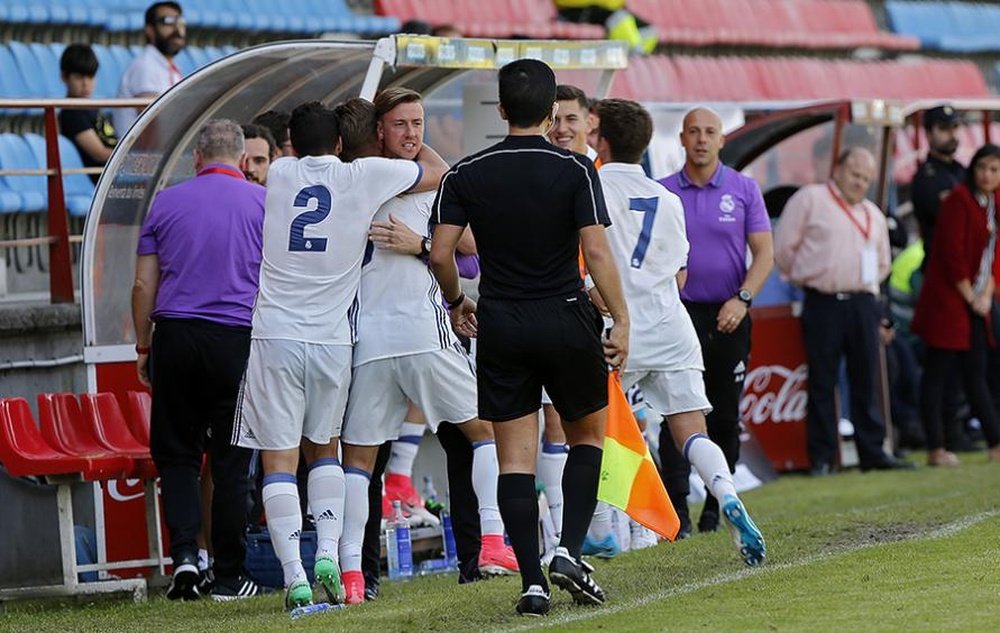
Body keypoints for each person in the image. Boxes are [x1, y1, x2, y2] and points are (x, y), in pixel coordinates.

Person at [430, 59, 630, 616]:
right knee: (587, 437)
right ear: (549, 113)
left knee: (514, 457)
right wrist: (622, 318)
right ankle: (567, 549)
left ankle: (531, 581)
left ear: (501, 111)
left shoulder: (465, 173)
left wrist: (455, 301)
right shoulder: (575, 169)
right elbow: (596, 251)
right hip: (566, 315)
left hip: (502, 321)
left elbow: (442, 253)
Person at [232, 101, 446, 611]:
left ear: (289, 143)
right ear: (339, 146)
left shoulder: (279, 173)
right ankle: (329, 550)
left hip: (275, 336)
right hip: (332, 339)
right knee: (324, 448)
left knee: (279, 460)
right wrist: (411, 136)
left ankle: (295, 577)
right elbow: (436, 170)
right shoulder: (363, 175)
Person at [335, 89, 517, 605]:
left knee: (360, 461)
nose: (413, 134)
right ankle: (491, 542)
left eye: (418, 123)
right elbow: (470, 246)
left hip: (367, 338)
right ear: (378, 132)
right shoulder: (419, 184)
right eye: (400, 125)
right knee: (487, 431)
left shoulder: (350, 184)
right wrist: (427, 246)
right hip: (421, 327)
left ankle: (353, 577)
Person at [593, 98, 765, 566]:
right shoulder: (667, 198)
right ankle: (727, 494)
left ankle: (601, 529)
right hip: (672, 325)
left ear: (600, 139)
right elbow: (681, 276)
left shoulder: (589, 189)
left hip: (618, 328)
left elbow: (588, 271)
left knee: (596, 430)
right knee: (691, 431)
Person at [131, 119, 263, 601]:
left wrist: (145, 347)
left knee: (178, 456)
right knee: (231, 461)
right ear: (244, 161)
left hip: (176, 336)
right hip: (236, 338)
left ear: (196, 159)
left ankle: (186, 557)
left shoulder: (166, 203)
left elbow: (144, 284)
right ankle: (230, 576)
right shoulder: (261, 203)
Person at [658, 107, 773, 535]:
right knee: (675, 412)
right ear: (682, 140)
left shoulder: (743, 189)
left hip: (729, 315)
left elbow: (764, 254)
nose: (702, 139)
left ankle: (713, 505)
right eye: (694, 132)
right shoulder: (664, 192)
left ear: (722, 139)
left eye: (710, 132)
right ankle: (676, 514)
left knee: (724, 416)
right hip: (678, 316)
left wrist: (742, 299)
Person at [774, 147, 914, 475]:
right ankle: (822, 457)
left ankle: (872, 451)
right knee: (823, 380)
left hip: (863, 303)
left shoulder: (873, 214)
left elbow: (882, 263)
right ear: (837, 168)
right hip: (822, 300)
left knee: (866, 378)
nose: (859, 183)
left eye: (866, 178)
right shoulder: (811, 199)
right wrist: (808, 275)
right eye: (855, 174)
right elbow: (783, 247)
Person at [911, 144, 1000, 466]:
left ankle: (995, 442)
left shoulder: (993, 203)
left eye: (994, 169)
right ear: (972, 169)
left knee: (976, 371)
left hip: (976, 297)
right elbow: (951, 255)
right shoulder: (959, 200)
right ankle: (935, 448)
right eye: (982, 168)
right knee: (936, 372)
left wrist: (987, 294)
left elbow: (995, 254)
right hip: (947, 299)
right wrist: (972, 297)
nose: (987, 175)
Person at [114, 2, 186, 134]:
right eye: (168, 22)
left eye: (180, 22)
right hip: (142, 154)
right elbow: (156, 121)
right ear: (150, 30)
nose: (177, 29)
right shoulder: (145, 66)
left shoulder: (170, 67)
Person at [912, 105, 964, 267]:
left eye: (955, 127)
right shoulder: (926, 177)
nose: (951, 134)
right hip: (940, 266)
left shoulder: (964, 171)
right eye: (943, 128)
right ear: (928, 134)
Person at [57, 44, 117, 183]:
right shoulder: (72, 114)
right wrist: (133, 158)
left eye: (90, 77)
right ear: (64, 77)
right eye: (79, 77)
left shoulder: (92, 108)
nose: (86, 84)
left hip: (113, 175)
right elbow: (99, 153)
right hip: (101, 181)